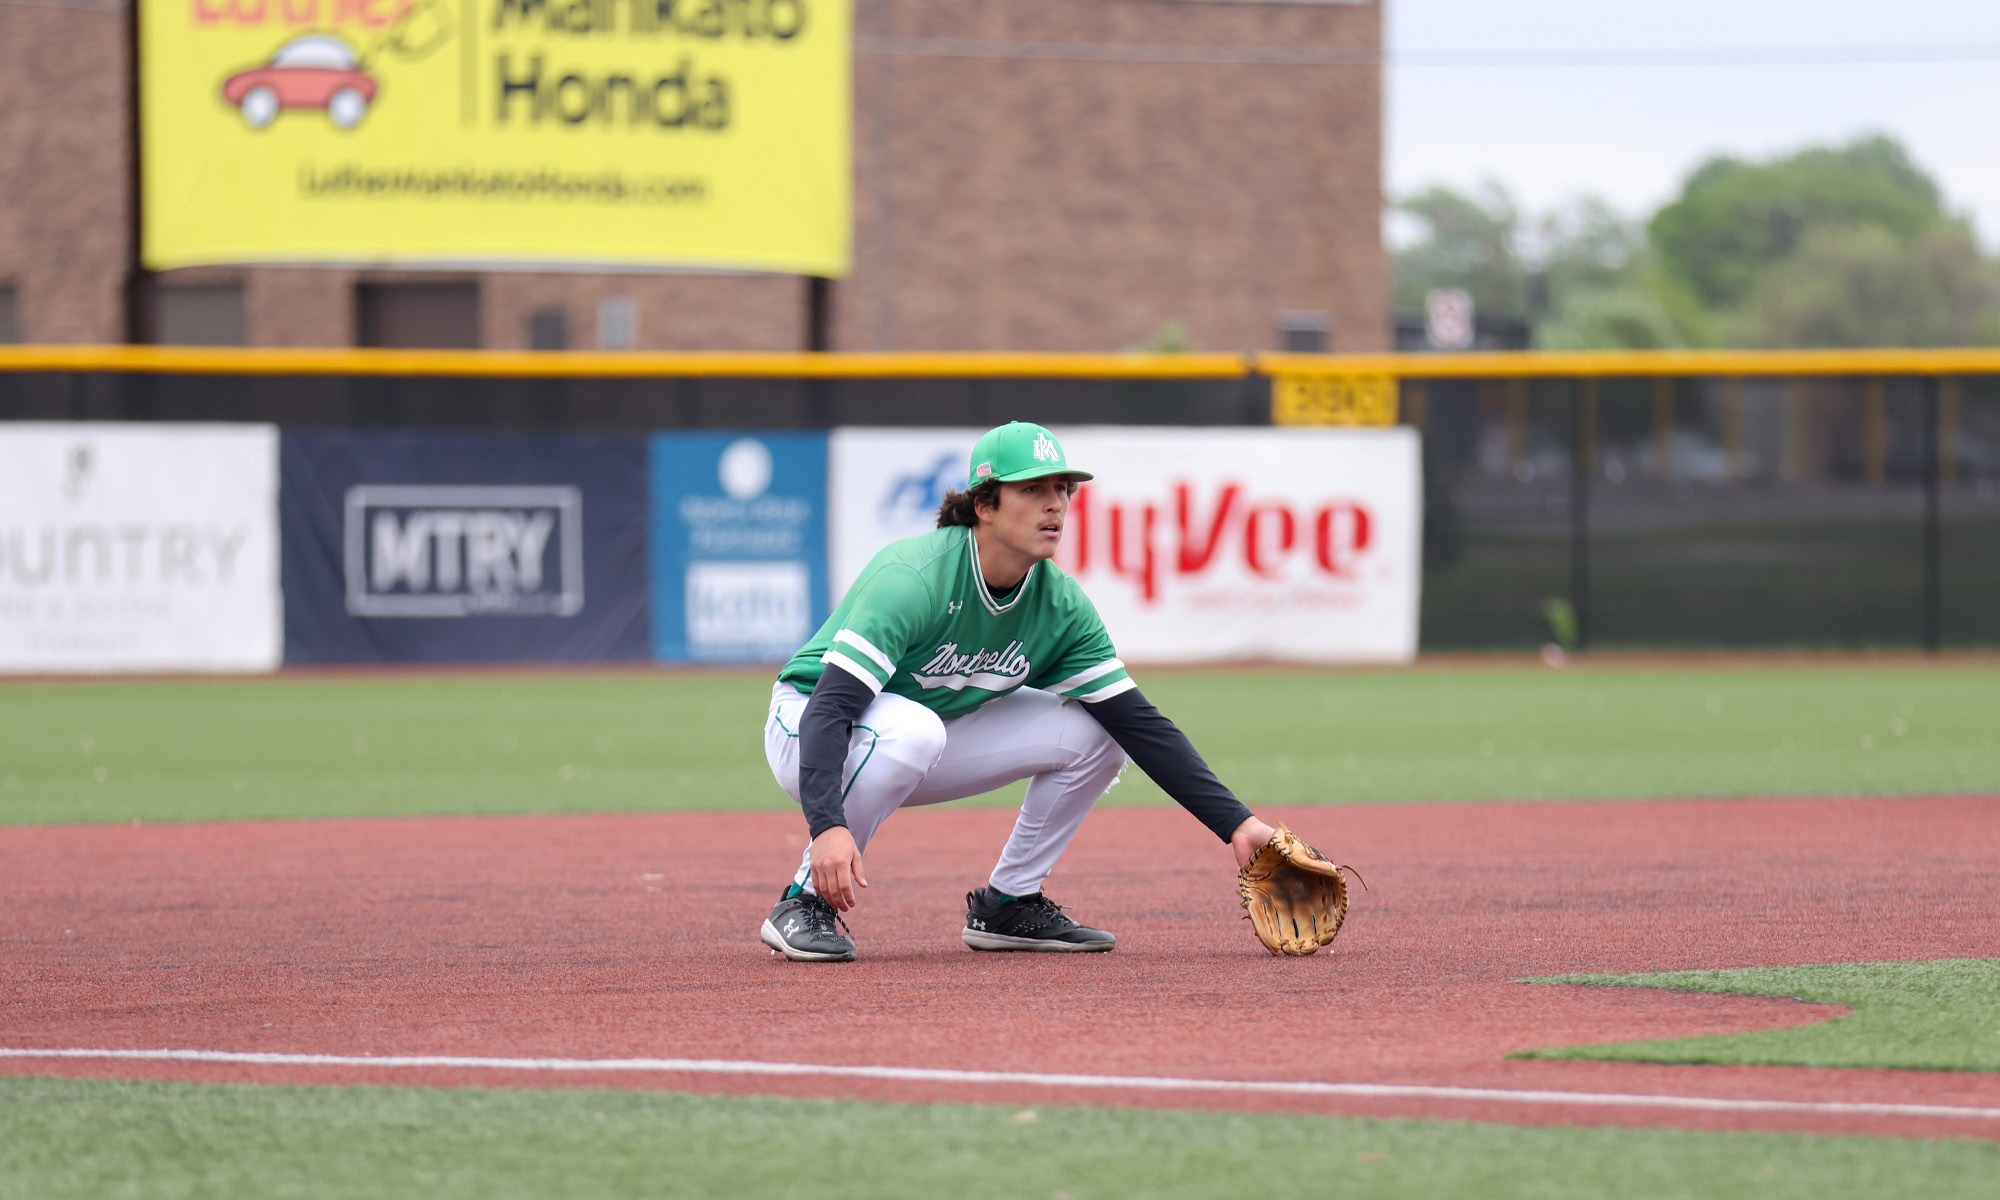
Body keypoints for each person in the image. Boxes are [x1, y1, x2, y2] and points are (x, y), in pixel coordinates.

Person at [758, 421, 1279, 962]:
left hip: (921, 735)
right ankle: (803, 902)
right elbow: (832, 707)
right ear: (985, 505)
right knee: (912, 732)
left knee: (1096, 732)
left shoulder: (1059, 606)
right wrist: (828, 827)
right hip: (805, 727)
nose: (1054, 505)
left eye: (1062, 490)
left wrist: (1237, 825)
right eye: (1032, 490)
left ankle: (1008, 904)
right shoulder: (915, 577)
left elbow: (1139, 723)